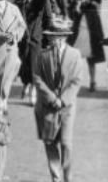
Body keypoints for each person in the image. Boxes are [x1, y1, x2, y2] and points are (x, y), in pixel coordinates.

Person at [32, 16, 85, 182]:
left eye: (54, 37)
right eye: (50, 36)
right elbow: (37, 78)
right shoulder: (42, 55)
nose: (51, 40)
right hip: (47, 107)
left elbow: (77, 80)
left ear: (63, 38)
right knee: (50, 142)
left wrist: (62, 99)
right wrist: (51, 97)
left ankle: (68, 177)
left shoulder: (75, 55)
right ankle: (55, 177)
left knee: (66, 143)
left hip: (66, 107)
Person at [69, 0, 104, 92]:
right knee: (74, 60)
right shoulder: (73, 6)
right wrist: (76, 9)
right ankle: (74, 81)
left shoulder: (93, 6)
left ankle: (93, 81)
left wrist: (100, 36)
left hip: (90, 36)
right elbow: (71, 18)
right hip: (77, 36)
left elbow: (97, 22)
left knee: (91, 60)